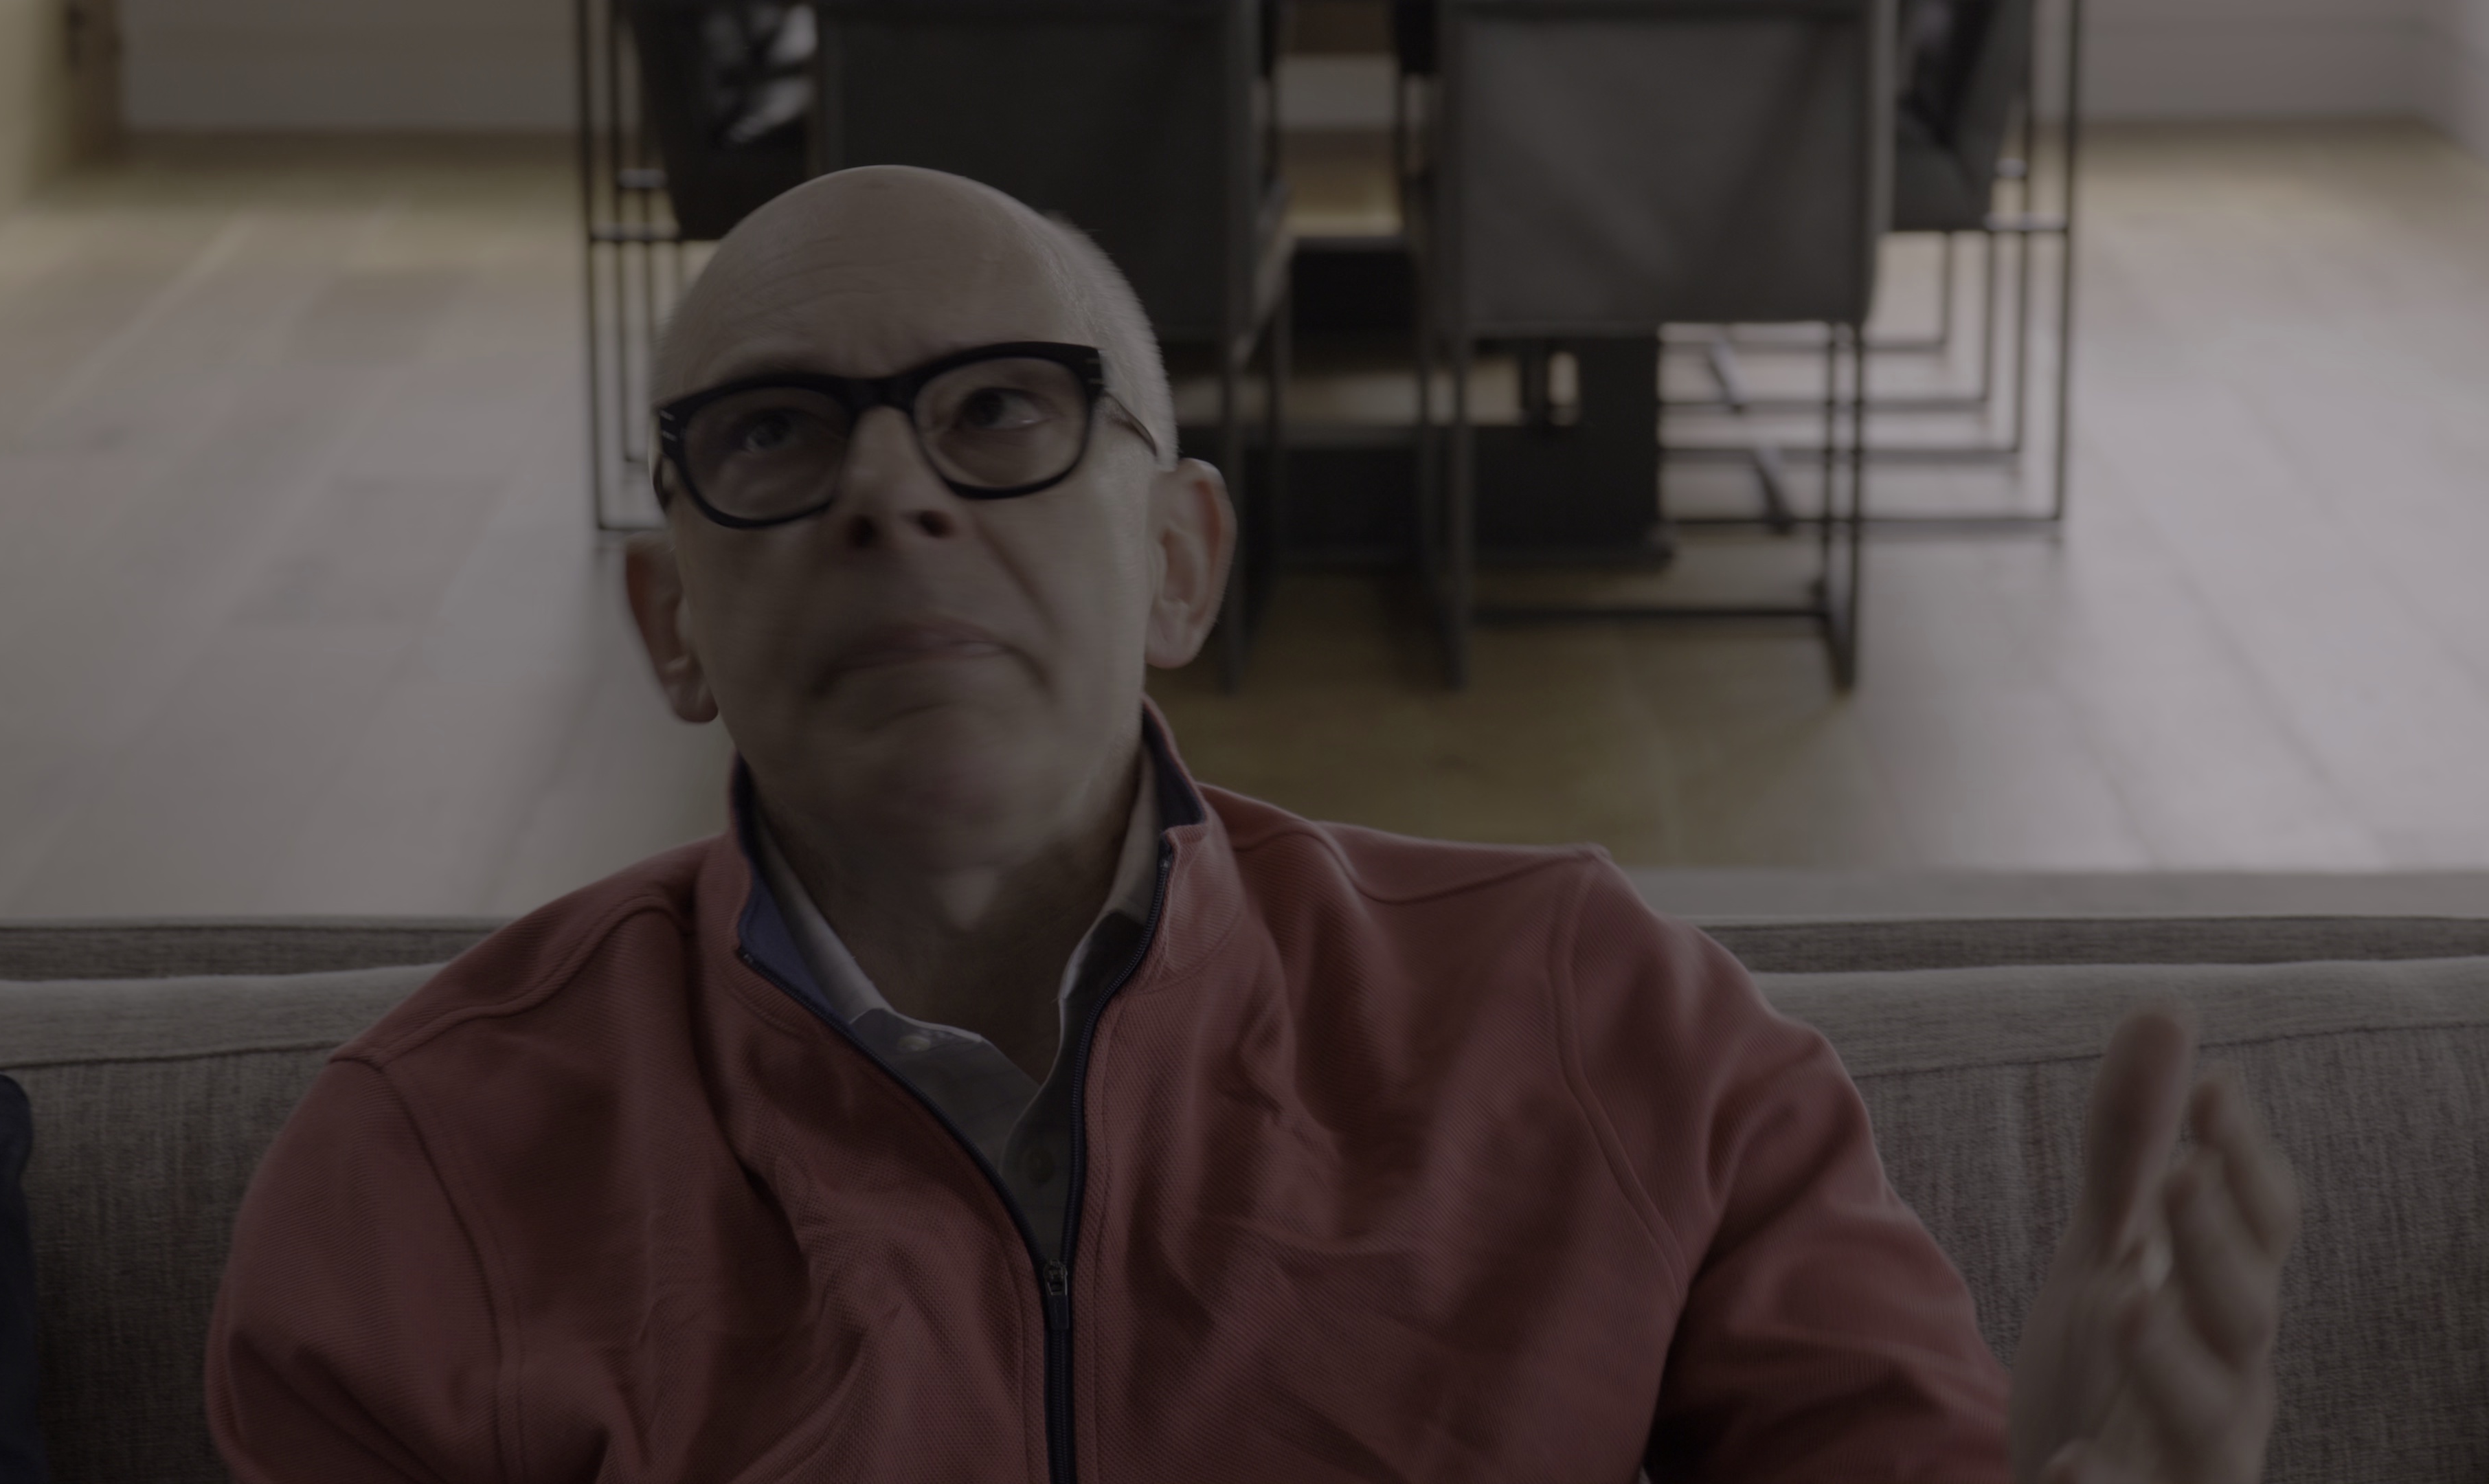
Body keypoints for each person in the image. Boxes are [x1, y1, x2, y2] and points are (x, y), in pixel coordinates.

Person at [205, 166, 2297, 1483]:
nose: (891, 494)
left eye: (1002, 409)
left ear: (1182, 561)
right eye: (772, 432)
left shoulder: (1606, 1023)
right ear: (672, 624)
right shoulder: (426, 1172)